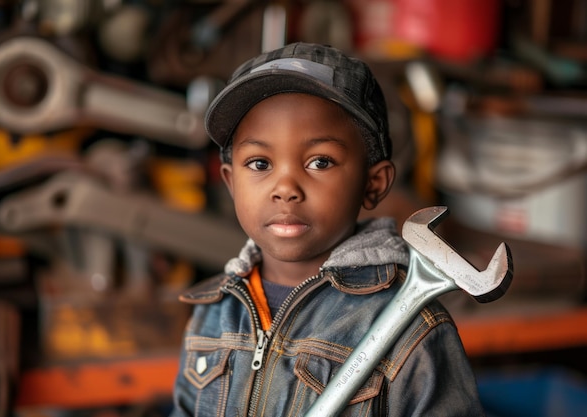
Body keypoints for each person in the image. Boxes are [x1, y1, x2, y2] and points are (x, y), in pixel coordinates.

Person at [170, 42, 484, 416]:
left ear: (374, 184)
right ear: (230, 182)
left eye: (320, 162)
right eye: (259, 163)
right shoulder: (213, 314)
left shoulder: (412, 330)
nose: (285, 188)